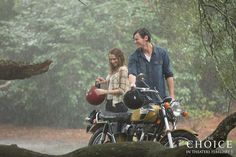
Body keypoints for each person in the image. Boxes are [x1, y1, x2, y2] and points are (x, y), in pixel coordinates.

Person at [128, 28, 174, 102]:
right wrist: (132, 84)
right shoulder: (133, 57)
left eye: (137, 39)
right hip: (143, 101)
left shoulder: (162, 53)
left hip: (161, 99)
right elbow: (132, 73)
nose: (135, 42)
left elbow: (169, 75)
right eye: (134, 40)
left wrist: (172, 96)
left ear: (146, 38)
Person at [95, 48, 129, 113]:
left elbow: (121, 90)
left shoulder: (123, 69)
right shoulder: (113, 70)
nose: (112, 61)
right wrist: (103, 82)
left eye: (114, 59)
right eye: (110, 59)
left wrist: (104, 91)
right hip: (109, 103)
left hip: (118, 105)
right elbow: (112, 85)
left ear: (120, 58)